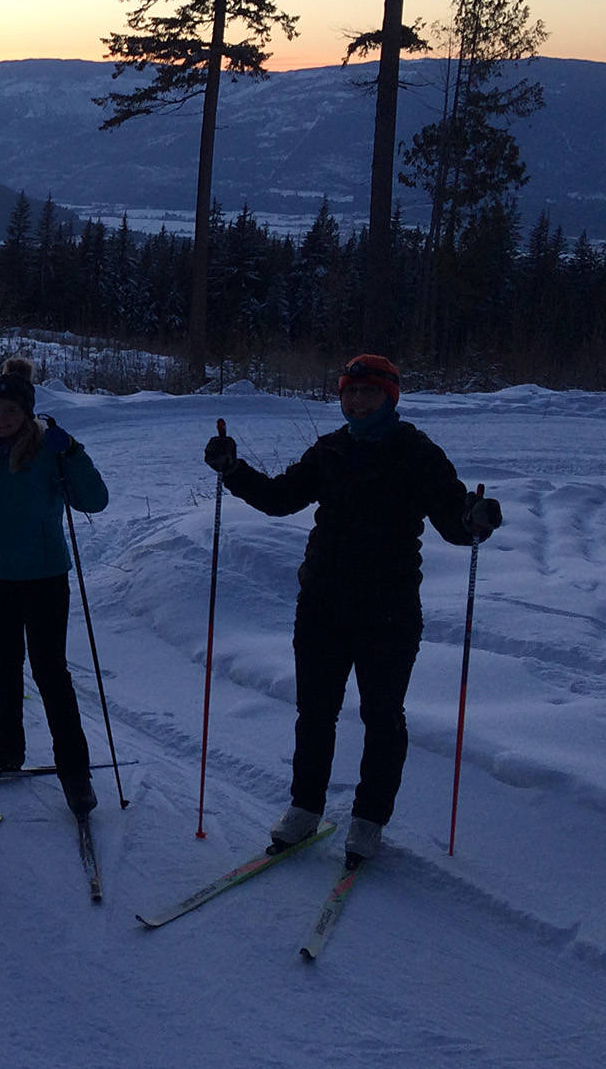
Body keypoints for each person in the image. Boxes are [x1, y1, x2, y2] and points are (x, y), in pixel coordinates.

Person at [203, 352, 502, 865]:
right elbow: (280, 499)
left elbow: (453, 520)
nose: (357, 400)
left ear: (389, 397)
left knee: (382, 715)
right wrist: (233, 470)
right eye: (349, 392)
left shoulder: (416, 452)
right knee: (314, 712)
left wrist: (474, 519)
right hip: (322, 602)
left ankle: (369, 819)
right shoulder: (330, 450)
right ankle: (304, 808)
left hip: (389, 608)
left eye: (368, 392)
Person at [0, 358, 106, 819]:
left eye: (12, 411)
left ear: (28, 413)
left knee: (51, 671)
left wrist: (73, 451)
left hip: (46, 576)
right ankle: (7, 746)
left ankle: (75, 769)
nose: (1, 419)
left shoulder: (47, 450)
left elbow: (95, 500)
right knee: (4, 664)